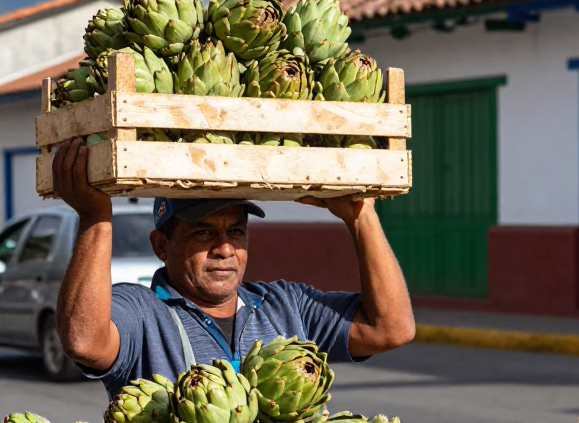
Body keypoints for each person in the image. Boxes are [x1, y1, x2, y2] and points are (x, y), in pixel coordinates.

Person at [51, 137, 417, 396]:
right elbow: (84, 341)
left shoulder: (287, 306)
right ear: (162, 245)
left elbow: (391, 329)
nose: (224, 248)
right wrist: (95, 218)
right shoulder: (143, 313)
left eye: (236, 232)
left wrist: (361, 219)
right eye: (203, 232)